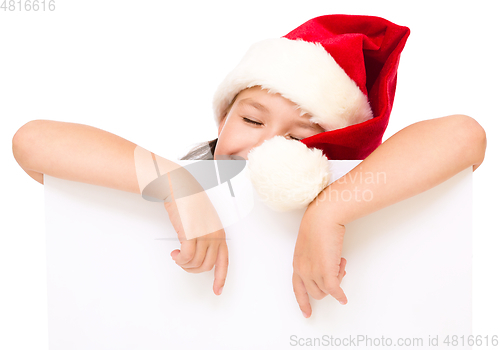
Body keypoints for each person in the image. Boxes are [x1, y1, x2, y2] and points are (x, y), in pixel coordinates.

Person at [11, 14, 486, 319]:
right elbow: (32, 142)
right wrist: (175, 183)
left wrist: (330, 211)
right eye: (252, 119)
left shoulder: (365, 189)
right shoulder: (184, 185)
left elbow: (464, 136)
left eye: (299, 137)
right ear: (223, 118)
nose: (264, 143)